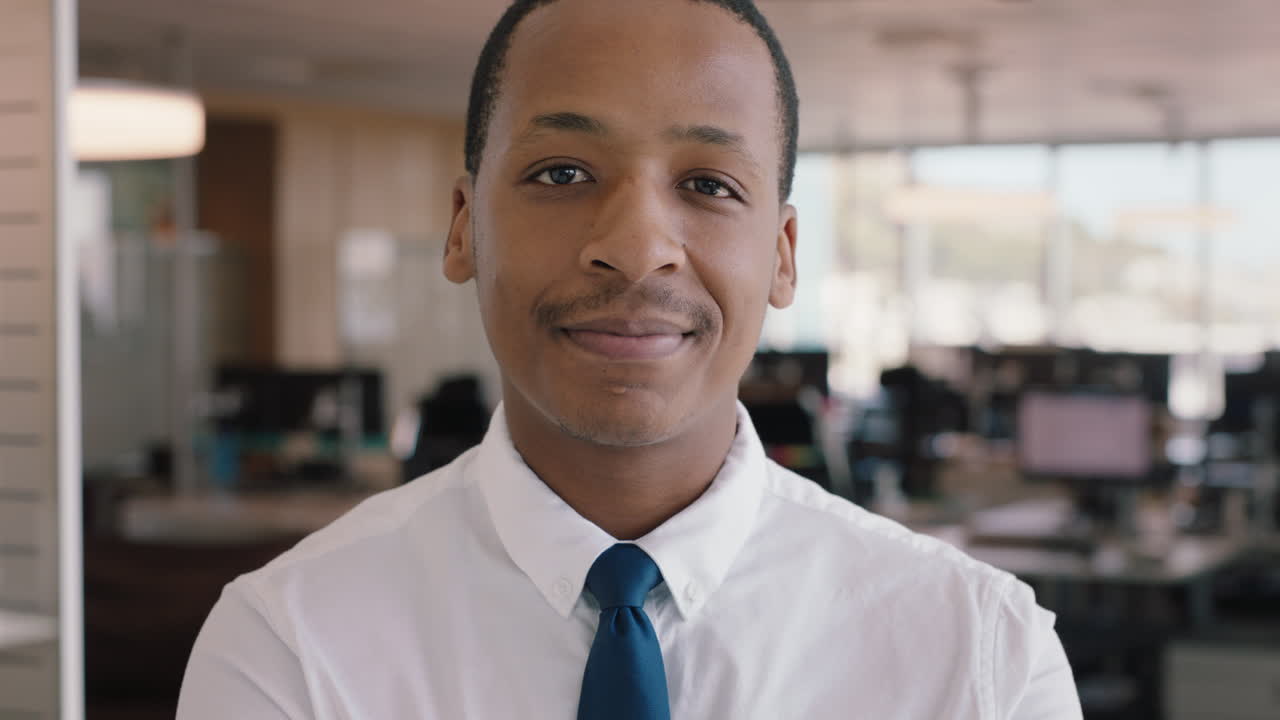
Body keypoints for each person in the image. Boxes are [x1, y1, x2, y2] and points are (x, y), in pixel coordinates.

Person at [177, 0, 1082, 717]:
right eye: (562, 173)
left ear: (782, 255)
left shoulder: (981, 661)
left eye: (708, 185)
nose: (638, 247)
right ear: (463, 228)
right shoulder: (290, 646)